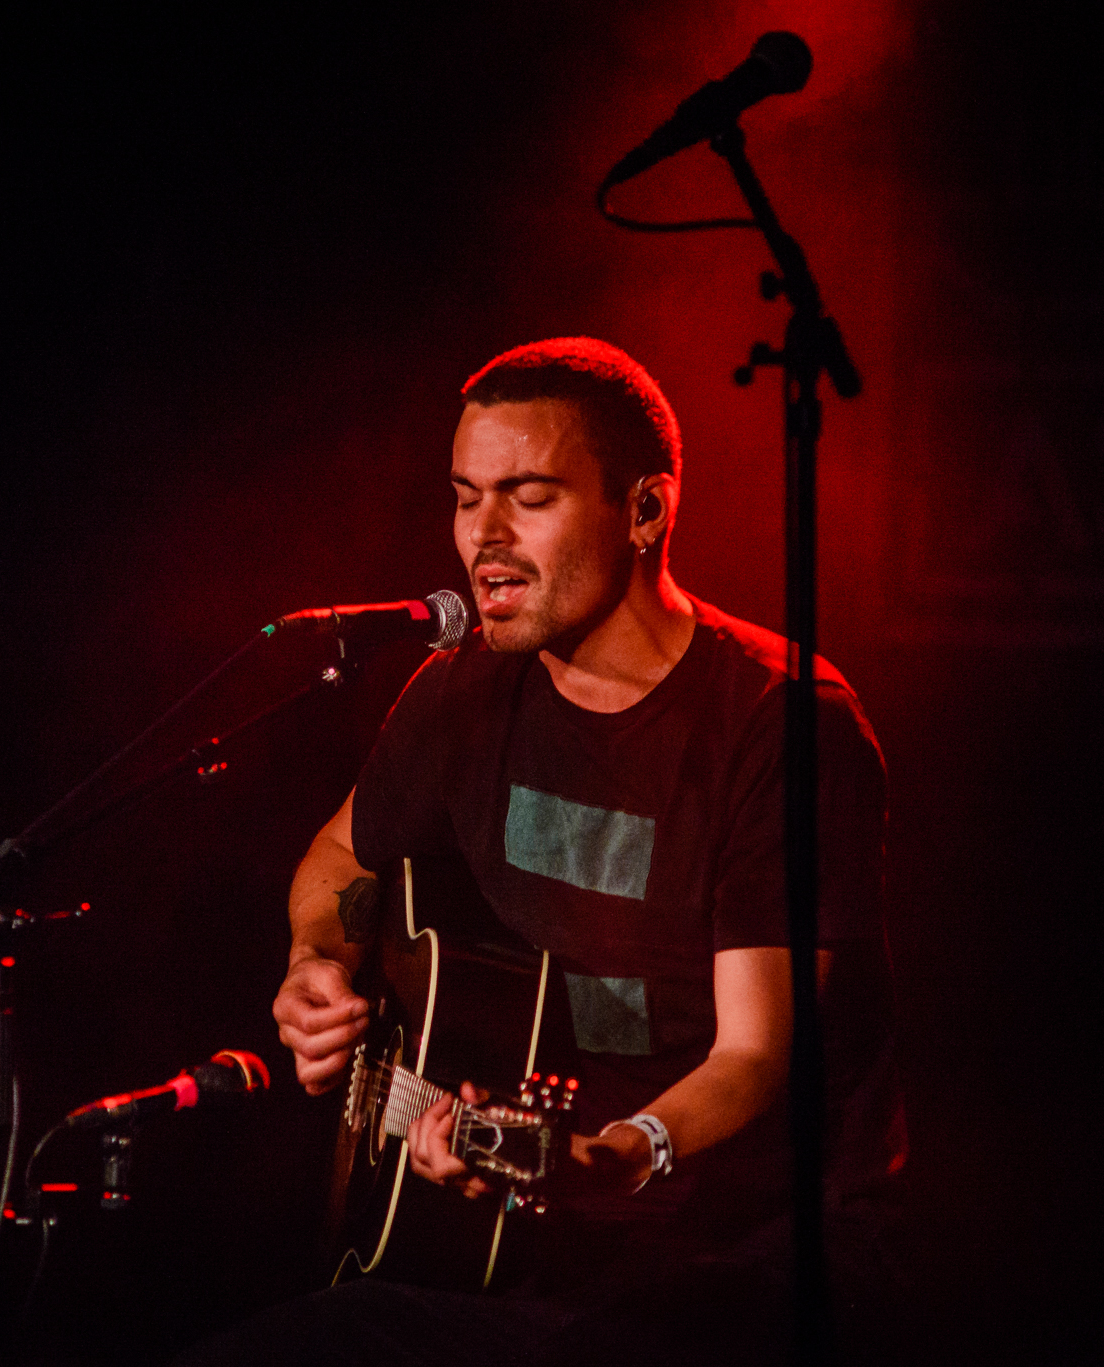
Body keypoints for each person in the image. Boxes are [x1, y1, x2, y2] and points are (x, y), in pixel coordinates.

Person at [189, 338, 901, 1365]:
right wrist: (316, 964)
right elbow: (341, 855)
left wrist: (618, 1156)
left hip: (755, 1257)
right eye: (464, 497)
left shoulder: (782, 724)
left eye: (528, 497)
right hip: (545, 1246)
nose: (483, 537)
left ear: (645, 510)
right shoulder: (463, 690)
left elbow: (754, 1053)